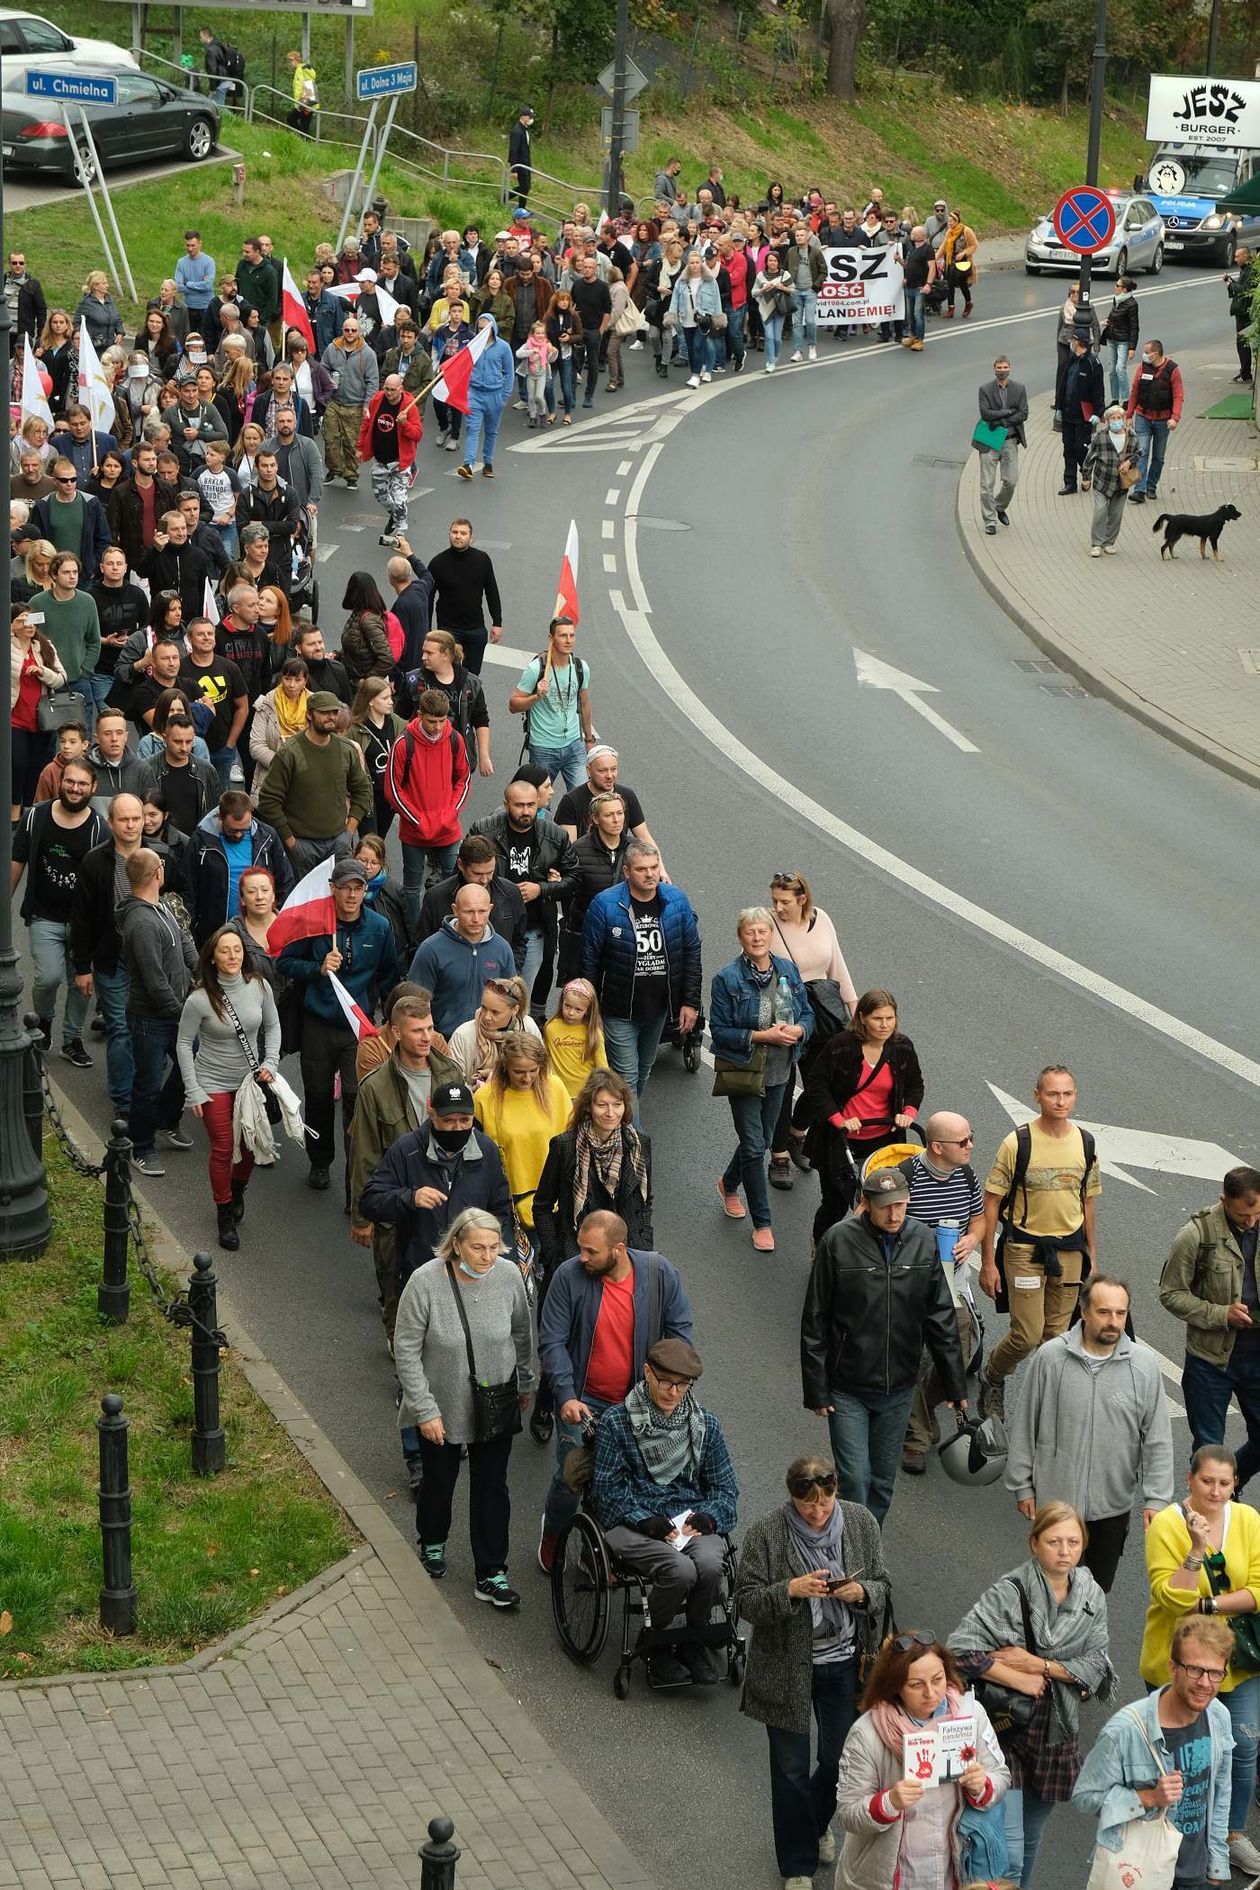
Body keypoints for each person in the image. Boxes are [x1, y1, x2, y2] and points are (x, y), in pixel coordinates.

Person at [736, 1457, 892, 1888]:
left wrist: (862, 1593)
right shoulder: (766, 1533)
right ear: (793, 1499)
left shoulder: (860, 1523)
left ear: (835, 1493)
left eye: (826, 1503)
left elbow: (882, 1584)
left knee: (840, 1761)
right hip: (784, 1665)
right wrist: (789, 1590)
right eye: (808, 1507)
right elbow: (745, 1601)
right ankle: (798, 1867)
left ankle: (814, 1823)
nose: (819, 1513)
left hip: (844, 1662)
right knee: (788, 1770)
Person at [948, 1503, 1115, 1887]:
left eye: (1073, 1542)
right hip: (1006, 1730)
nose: (1064, 1550)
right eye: (1054, 1541)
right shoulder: (1009, 1591)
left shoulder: (1092, 1595)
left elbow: (1096, 1666)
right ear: (1034, 1543)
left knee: (1030, 1839)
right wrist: (1015, 1675)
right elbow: (959, 1650)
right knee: (1007, 1851)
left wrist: (1038, 1666)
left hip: (1055, 1734)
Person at [391, 1203, 534, 1605]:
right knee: (439, 1482)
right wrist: (424, 1410)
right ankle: (432, 1541)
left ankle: (491, 1573)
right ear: (456, 1245)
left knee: (492, 1489)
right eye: (478, 1248)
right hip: (443, 1406)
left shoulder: (508, 1276)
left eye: (494, 1247)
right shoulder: (424, 1282)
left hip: (496, 1402)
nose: (488, 1257)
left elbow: (522, 1333)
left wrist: (525, 1380)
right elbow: (406, 1350)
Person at [537, 1210, 691, 1571]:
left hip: (636, 1404)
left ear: (619, 1249)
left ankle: (600, 1546)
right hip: (583, 1400)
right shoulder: (568, 1276)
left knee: (625, 1479)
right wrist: (565, 1395)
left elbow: (680, 1337)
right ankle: (555, 1532)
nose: (582, 1258)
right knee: (572, 1473)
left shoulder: (659, 1274)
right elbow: (553, 1341)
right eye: (580, 1249)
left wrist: (668, 1389)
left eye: (591, 1251)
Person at [1005, 1275, 1173, 1593]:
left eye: (1120, 1314)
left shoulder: (1144, 1365)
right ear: (1084, 1311)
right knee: (1049, 1591)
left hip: (1111, 1507)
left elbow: (1158, 1438)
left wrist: (1157, 1499)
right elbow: (1026, 1422)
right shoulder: (1050, 1359)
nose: (1113, 1322)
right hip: (1056, 1504)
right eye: (1104, 1312)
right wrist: (1022, 1486)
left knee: (1093, 1595)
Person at [588, 1339, 738, 1686]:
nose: (673, 1392)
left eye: (682, 1385)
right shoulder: (616, 1423)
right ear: (647, 1373)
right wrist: (645, 1520)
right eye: (665, 1382)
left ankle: (693, 1639)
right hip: (634, 1522)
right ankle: (658, 1644)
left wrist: (709, 1518)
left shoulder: (705, 1426)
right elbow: (606, 1492)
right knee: (681, 1571)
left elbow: (725, 1490)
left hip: (687, 1521)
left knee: (712, 1564)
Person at [1140, 1444, 1260, 1876]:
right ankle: (1171, 1836)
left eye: (1225, 1483)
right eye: (1207, 1481)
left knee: (1243, 1747)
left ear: (1235, 1484)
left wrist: (1208, 1607)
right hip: (1180, 1663)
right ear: (1189, 1479)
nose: (1215, 1490)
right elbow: (1171, 1598)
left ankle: (1230, 1834)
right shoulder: (1167, 1527)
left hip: (1237, 1662)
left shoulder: (1248, 1519)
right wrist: (1196, 1546)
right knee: (1180, 1756)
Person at [834, 1634, 1008, 1890]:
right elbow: (848, 1814)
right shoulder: (868, 1734)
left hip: (953, 1869)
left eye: (938, 1680)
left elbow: (1000, 1775)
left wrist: (982, 1785)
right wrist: (889, 1802)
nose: (931, 1693)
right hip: (891, 1876)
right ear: (895, 1687)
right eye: (916, 1684)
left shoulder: (971, 1715)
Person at [1072, 1617, 1234, 1890]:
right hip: (1141, 1871)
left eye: (1215, 1673)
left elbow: (1220, 1792)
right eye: (1194, 1670)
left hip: (1197, 1874)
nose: (1205, 1683)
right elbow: (1085, 1797)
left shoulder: (1218, 1716)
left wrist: (1217, 1866)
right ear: (1172, 1668)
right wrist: (1149, 1797)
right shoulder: (1125, 1731)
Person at [977, 1065, 1101, 1422]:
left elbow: (1088, 1201)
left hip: (1070, 1252)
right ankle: (993, 1376)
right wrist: (988, 1262)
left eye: (1067, 1094)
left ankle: (1048, 1406)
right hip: (1024, 1251)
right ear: (1037, 1096)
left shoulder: (1086, 1143)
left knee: (1056, 1337)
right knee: (1027, 1335)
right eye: (1052, 1094)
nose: (1061, 1101)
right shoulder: (1018, 1143)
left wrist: (1092, 1253)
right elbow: (991, 1201)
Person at [277, 856, 399, 1191]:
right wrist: (317, 967)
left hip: (357, 1027)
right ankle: (320, 1161)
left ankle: (355, 1180)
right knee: (317, 1097)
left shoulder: (380, 927)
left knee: (355, 1100)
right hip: (317, 1023)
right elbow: (285, 962)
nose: (351, 895)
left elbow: (389, 974)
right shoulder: (314, 922)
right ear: (332, 889)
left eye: (357, 888)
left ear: (365, 890)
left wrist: (391, 1021)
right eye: (344, 887)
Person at [349, 991, 462, 1344]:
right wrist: (361, 1216)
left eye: (430, 1028)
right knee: (394, 1279)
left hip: (442, 1198)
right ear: (397, 1032)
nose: (427, 1037)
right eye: (417, 1031)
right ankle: (401, 1348)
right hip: (396, 1201)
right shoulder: (375, 1087)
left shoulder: (450, 1073)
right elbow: (364, 1153)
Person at [710, 907, 812, 1253]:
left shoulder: (787, 970)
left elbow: (807, 1014)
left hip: (780, 1071)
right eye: (750, 932)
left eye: (763, 932)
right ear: (741, 937)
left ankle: (728, 1182)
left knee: (764, 1138)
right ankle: (763, 1223)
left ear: (771, 936)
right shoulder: (727, 978)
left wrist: (800, 1030)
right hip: (744, 1071)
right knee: (755, 1147)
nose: (757, 938)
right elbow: (720, 1031)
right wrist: (761, 1036)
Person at [893, 1110, 986, 1472]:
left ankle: (921, 1412)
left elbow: (978, 1218)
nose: (970, 1146)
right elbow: (865, 1218)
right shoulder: (906, 1176)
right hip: (910, 1284)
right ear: (936, 1147)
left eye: (970, 1136)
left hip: (952, 1280)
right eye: (962, 1142)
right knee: (911, 1360)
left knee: (958, 1357)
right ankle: (915, 1438)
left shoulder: (965, 1174)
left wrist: (972, 1239)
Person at [176, 926, 278, 1251]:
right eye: (225, 951)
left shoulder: (259, 986)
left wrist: (271, 1062)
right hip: (212, 1082)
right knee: (223, 1146)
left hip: (249, 1082)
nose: (232, 956)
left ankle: (238, 1190)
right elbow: (182, 1044)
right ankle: (224, 1212)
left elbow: (273, 1026)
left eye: (237, 950)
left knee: (247, 1146)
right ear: (213, 957)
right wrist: (192, 1090)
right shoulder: (199, 999)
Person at [1160, 1166, 1260, 1487]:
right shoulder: (1196, 1235)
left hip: (1256, 1360)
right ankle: (1208, 1515)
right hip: (1209, 1362)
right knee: (1208, 1452)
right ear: (1224, 1200)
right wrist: (1221, 1314)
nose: (1252, 1222)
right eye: (1245, 1214)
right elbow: (1171, 1294)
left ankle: (1228, 1487)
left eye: (1258, 1213)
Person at [581, 841, 702, 1100]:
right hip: (618, 1009)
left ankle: (625, 1127)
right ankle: (635, 1139)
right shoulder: (605, 905)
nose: (650, 874)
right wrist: (592, 1011)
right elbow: (589, 961)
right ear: (627, 872)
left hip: (657, 1008)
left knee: (643, 1070)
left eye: (654, 867)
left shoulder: (676, 900)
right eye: (642, 869)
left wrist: (690, 1002)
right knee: (626, 1078)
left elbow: (691, 952)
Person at [804, 987, 924, 1243]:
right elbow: (817, 1084)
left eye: (889, 1018)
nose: (884, 1025)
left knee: (885, 1201)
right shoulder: (841, 1046)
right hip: (841, 1139)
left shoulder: (902, 1048)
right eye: (877, 1018)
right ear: (862, 1018)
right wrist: (839, 1120)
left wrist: (908, 1112)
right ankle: (821, 1247)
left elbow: (915, 1085)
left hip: (884, 1139)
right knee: (835, 1203)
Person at [766, 870, 859, 1189]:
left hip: (823, 1011)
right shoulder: (767, 923)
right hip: (786, 1015)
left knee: (826, 1081)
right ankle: (778, 1156)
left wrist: (853, 1005)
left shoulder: (822, 919)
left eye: (785, 902)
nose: (778, 907)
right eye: (775, 900)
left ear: (802, 899)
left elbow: (837, 965)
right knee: (782, 1085)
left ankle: (797, 1133)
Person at [12, 759, 105, 1064]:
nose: (75, 788)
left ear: (93, 788)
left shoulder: (99, 829)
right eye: (70, 781)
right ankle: (44, 1022)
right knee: (48, 978)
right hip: (44, 916)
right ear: (60, 781)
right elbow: (17, 860)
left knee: (81, 984)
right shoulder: (35, 816)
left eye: (82, 784)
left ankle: (72, 1039)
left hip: (83, 924)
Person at [119, 847, 197, 1179]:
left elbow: (185, 942)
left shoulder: (162, 907)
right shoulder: (140, 921)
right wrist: (182, 1014)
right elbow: (154, 980)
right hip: (151, 1019)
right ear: (157, 874)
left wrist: (204, 971)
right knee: (148, 1084)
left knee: (190, 1067)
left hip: (173, 1014)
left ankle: (166, 1119)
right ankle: (141, 1146)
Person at [70, 794, 145, 1120]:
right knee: (120, 1028)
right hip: (111, 960)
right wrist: (82, 967)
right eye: (124, 819)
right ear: (111, 823)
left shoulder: (161, 856)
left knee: (149, 1029)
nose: (131, 825)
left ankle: (147, 1090)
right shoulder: (94, 862)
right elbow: (82, 917)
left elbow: (180, 903)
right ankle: (124, 1103)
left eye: (136, 818)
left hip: (150, 961)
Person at [469, 775, 578, 998]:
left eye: (531, 804)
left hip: (532, 929)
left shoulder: (554, 835)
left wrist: (543, 889)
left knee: (518, 995)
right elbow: (464, 870)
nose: (526, 811)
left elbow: (574, 876)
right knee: (483, 991)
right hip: (488, 926)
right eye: (519, 805)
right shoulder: (483, 830)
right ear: (506, 804)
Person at [473, 1036, 572, 1270]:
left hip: (552, 1204)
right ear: (505, 1066)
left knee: (552, 1273)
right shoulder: (484, 1099)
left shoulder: (555, 1088)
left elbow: (570, 1139)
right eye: (519, 1071)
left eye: (533, 1071)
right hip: (510, 1208)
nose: (527, 1078)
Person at [257, 691, 372, 877]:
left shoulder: (345, 749)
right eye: (325, 712)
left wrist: (349, 831)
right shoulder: (290, 751)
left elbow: (362, 790)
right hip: (302, 845)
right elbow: (268, 800)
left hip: (339, 843)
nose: (331, 717)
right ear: (309, 714)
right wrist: (290, 841)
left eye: (334, 712)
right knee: (304, 903)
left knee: (339, 901)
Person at [385, 688, 471, 931]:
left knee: (455, 881)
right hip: (415, 830)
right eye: (432, 721)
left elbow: (463, 779)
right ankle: (416, 934)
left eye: (442, 721)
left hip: (447, 828)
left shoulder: (455, 739)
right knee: (412, 887)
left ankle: (450, 929)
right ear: (420, 715)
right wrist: (417, 820)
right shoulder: (404, 743)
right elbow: (393, 789)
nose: (437, 727)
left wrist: (450, 813)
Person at [184, 788, 293, 946]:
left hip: (259, 935)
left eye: (244, 829)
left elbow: (285, 881)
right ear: (220, 818)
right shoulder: (201, 841)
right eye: (232, 830)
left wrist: (279, 919)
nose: (238, 835)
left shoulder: (268, 837)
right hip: (215, 933)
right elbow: (189, 888)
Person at [407, 882, 517, 1038]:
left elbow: (509, 999)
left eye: (482, 911)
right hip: (443, 1041)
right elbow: (414, 1003)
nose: (476, 918)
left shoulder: (502, 948)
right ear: (455, 909)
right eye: (469, 911)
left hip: (487, 1040)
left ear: (490, 909)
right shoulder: (430, 949)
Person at [416, 835, 527, 972]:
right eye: (477, 873)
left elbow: (519, 940)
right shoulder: (436, 897)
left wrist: (510, 972)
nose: (484, 880)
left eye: (490, 872)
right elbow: (422, 945)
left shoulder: (511, 893)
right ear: (461, 865)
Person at [404, 630, 491, 779]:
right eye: (423, 652)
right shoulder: (414, 681)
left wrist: (484, 756)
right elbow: (401, 717)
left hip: (457, 757)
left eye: (429, 653)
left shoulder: (471, 683)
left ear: (446, 655)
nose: (423, 657)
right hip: (422, 756)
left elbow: (481, 720)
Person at [426, 519, 503, 677]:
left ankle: (468, 701)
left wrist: (497, 622)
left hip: (475, 628)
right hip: (448, 629)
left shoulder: (482, 559)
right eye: (455, 532)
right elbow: (428, 598)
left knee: (472, 677)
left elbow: (492, 591)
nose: (458, 536)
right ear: (449, 535)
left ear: (471, 537)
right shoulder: (437, 563)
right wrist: (426, 628)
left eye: (463, 533)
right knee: (446, 674)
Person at [9, 604, 66, 818]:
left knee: (37, 767)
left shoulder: (44, 645)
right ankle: (14, 808)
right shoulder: (9, 645)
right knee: (17, 763)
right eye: (24, 620)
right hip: (14, 717)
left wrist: (42, 672)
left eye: (33, 619)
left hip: (43, 718)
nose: (29, 625)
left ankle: (30, 811)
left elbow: (62, 678)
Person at [446, 975, 542, 1090]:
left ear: (515, 1010)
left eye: (495, 1012)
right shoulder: (462, 1036)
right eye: (484, 1008)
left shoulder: (528, 1027)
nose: (487, 1017)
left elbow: (543, 1070)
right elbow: (453, 1084)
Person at [357, 374, 422, 541]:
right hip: (380, 461)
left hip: (400, 462)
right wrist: (360, 447)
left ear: (401, 389)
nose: (389, 393)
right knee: (381, 496)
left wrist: (405, 424)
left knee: (400, 499)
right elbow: (366, 424)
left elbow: (417, 435)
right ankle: (395, 515)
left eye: (393, 390)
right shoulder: (377, 400)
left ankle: (401, 533)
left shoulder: (410, 407)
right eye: (386, 388)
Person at [321, 316, 378, 488]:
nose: (350, 333)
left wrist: (368, 405)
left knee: (351, 443)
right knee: (330, 439)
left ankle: (351, 475)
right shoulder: (333, 348)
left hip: (356, 405)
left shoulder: (368, 353)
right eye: (347, 330)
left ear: (359, 332)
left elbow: (373, 381)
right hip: (334, 402)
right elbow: (322, 368)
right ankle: (334, 469)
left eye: (354, 330)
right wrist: (328, 382)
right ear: (342, 331)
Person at [1126, 336, 1183, 507]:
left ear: (1156, 354)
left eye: (1146, 353)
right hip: (1143, 417)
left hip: (1163, 420)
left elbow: (1178, 396)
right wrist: (1129, 415)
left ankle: (1151, 486)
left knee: (1158, 457)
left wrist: (1175, 418)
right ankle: (1139, 490)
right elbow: (1135, 391)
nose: (1144, 355)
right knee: (1141, 452)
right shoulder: (1142, 369)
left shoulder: (1172, 370)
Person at [457, 314, 514, 481]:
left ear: (493, 327)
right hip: (475, 393)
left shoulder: (503, 347)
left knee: (491, 431)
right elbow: (461, 364)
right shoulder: (473, 345)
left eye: (486, 328)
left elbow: (509, 373)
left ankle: (488, 463)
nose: (483, 331)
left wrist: (505, 396)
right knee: (472, 429)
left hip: (495, 394)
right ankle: (468, 464)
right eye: (480, 328)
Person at [977, 358, 1029, 535]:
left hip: (1010, 440)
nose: (1002, 370)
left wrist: (1001, 420)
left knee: (1011, 481)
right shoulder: (984, 389)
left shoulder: (1019, 389)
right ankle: (990, 521)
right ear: (994, 369)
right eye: (999, 367)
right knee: (987, 485)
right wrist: (1008, 412)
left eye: (1005, 367)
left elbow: (1023, 413)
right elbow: (985, 413)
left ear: (1010, 368)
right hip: (990, 440)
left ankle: (999, 506)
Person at [1082, 404, 1142, 557]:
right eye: (1112, 418)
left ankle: (1109, 542)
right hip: (1102, 482)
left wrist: (1129, 463)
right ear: (1107, 421)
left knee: (1116, 514)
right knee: (1100, 511)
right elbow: (1089, 458)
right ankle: (1097, 544)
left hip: (1121, 483)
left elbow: (1138, 453)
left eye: (1118, 418)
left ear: (1123, 419)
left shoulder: (1131, 436)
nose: (1116, 421)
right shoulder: (1100, 437)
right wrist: (1086, 478)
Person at [1055, 333, 1104, 498]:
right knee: (1068, 448)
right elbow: (1063, 384)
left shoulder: (1092, 363)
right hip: (1068, 413)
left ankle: (1086, 470)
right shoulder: (1071, 360)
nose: (1071, 343)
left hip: (1084, 416)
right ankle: (1070, 482)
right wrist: (1059, 406)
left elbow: (1098, 390)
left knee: (1080, 447)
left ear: (1078, 342)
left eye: (1073, 341)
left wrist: (1098, 412)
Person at [542, 978, 607, 1101]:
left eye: (578, 1010)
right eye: (567, 1006)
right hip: (557, 1092)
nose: (571, 1013)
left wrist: (601, 1092)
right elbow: (545, 1058)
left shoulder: (593, 1033)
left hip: (585, 1094)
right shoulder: (551, 1027)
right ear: (562, 1002)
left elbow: (602, 1066)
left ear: (588, 1010)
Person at [1101, 276, 1140, 403]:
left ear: (1124, 289)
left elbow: (1134, 326)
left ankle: (1126, 400)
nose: (1115, 287)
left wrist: (1132, 347)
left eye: (1117, 286)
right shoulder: (1116, 299)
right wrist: (1109, 320)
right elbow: (1114, 313)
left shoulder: (1132, 304)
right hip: (1112, 338)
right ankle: (1114, 399)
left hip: (1123, 341)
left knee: (1120, 369)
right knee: (1112, 370)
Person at [939, 210, 979, 316]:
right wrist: (934, 258)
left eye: (951, 222)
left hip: (962, 263)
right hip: (950, 262)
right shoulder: (949, 232)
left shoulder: (966, 231)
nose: (949, 224)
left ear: (957, 221)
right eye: (948, 222)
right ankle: (951, 309)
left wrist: (964, 253)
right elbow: (943, 247)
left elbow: (974, 245)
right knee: (949, 285)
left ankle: (968, 303)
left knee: (962, 285)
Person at [1225, 249, 1256, 386]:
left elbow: (1245, 291)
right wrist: (1230, 283)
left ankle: (1246, 374)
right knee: (1242, 343)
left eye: (1238, 256)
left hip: (1246, 312)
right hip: (1241, 311)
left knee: (1244, 343)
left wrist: (1231, 284)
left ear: (1245, 256)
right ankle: (1245, 372)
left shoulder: (1251, 271)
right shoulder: (1244, 269)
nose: (1235, 259)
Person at [286, 49, 318, 137]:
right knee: (300, 123)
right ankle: (304, 139)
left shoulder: (300, 70)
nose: (290, 63)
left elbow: (304, 86)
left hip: (305, 103)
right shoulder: (302, 70)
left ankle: (305, 140)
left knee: (294, 120)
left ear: (297, 60)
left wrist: (304, 105)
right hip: (305, 102)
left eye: (291, 60)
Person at [507, 106, 534, 208]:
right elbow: (513, 150)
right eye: (529, 117)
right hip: (520, 164)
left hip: (526, 163)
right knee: (525, 187)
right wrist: (514, 169)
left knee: (526, 187)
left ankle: (521, 207)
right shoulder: (517, 131)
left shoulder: (524, 130)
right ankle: (506, 197)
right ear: (524, 117)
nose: (531, 119)